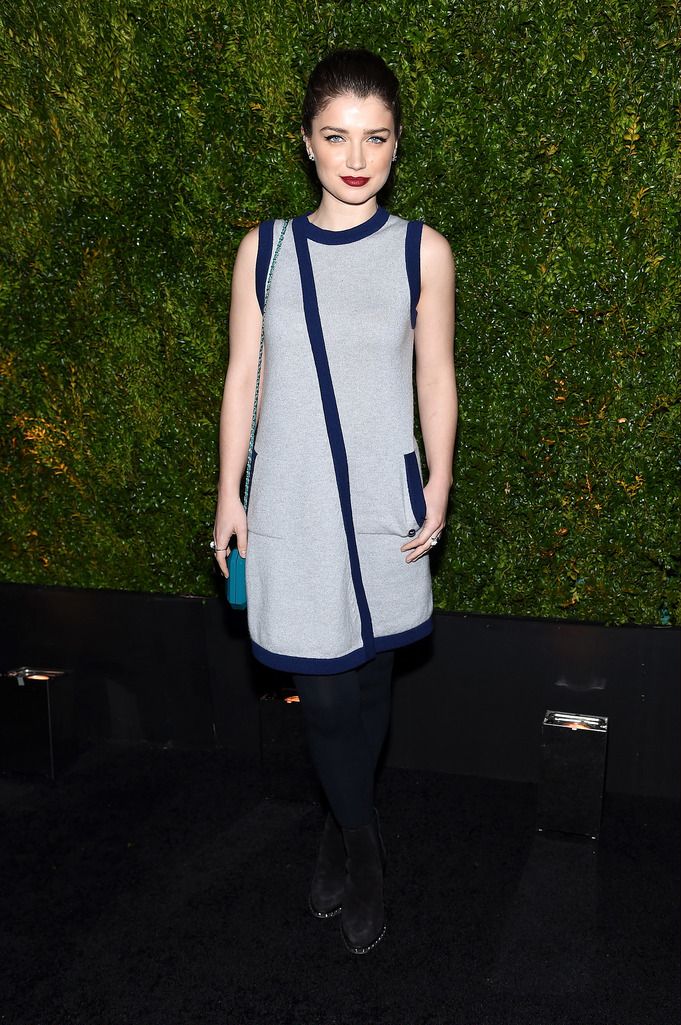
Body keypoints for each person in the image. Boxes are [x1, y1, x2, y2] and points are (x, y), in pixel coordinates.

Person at [212, 48, 457, 955]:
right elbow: (244, 377)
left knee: (369, 685)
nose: (356, 156)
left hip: (384, 507)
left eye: (376, 137)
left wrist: (438, 479)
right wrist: (228, 494)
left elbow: (435, 376)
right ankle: (364, 843)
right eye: (335, 135)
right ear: (305, 143)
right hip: (291, 504)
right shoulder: (264, 249)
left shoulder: (422, 251)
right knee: (321, 696)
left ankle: (336, 823)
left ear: (397, 143)